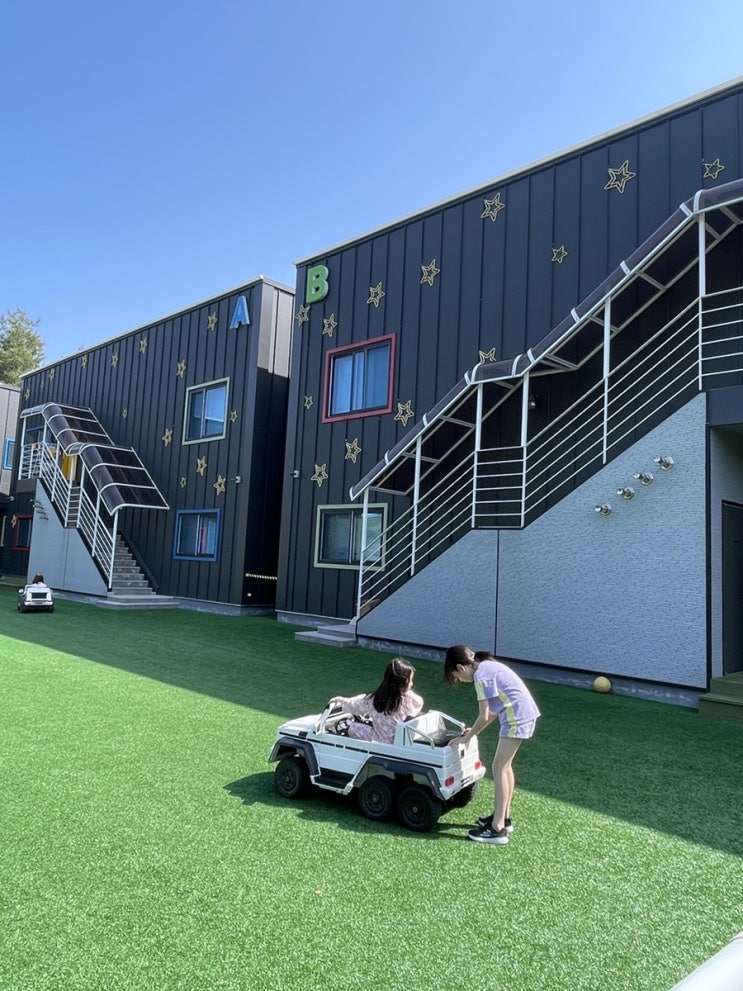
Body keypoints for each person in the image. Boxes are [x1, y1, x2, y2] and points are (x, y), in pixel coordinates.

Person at [444, 646, 540, 845]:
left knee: (499, 768)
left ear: (461, 668)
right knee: (504, 767)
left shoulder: (481, 677)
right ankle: (504, 818)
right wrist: (471, 732)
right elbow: (491, 713)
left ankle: (497, 829)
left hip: (517, 717)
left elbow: (484, 715)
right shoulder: (486, 666)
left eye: (457, 676)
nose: (460, 680)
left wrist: (466, 738)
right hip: (521, 714)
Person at [330, 657, 423, 745]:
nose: (412, 684)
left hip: (379, 742)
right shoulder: (411, 700)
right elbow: (419, 702)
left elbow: (354, 706)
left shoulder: (374, 701)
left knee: (353, 727)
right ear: (403, 682)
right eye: (410, 680)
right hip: (399, 742)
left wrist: (342, 700)